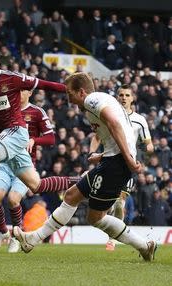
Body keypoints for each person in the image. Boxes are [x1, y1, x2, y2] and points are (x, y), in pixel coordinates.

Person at [13, 72, 157, 262]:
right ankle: (32, 239)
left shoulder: (92, 100)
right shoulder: (100, 100)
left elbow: (115, 124)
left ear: (81, 92)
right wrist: (103, 155)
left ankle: (144, 246)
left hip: (117, 164)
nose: (68, 98)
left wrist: (128, 158)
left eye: (70, 93)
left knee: (95, 218)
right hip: (112, 160)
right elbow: (120, 129)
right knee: (72, 195)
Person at [0, 43, 75, 230]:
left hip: (17, 131)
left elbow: (43, 84)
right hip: (5, 137)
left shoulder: (12, 78)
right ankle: (82, 181)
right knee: (36, 185)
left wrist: (68, 89)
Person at [0, 89, 55, 253]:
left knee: (13, 199)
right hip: (4, 163)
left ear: (30, 93)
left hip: (24, 166)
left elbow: (51, 138)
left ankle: (16, 236)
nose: (17, 94)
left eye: (22, 91)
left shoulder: (37, 112)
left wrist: (34, 139)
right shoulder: (6, 112)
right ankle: (3, 231)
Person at [99, 84, 154, 251]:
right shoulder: (110, 116)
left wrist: (145, 152)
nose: (123, 98)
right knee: (107, 204)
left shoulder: (140, 120)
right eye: (121, 95)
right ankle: (115, 233)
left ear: (132, 98)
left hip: (127, 166)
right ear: (117, 97)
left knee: (119, 203)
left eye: (127, 95)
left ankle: (112, 239)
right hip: (109, 162)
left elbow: (148, 144)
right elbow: (98, 135)